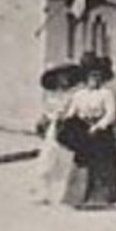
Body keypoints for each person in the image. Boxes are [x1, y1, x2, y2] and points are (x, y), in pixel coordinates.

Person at [64, 54, 116, 208]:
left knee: (102, 164)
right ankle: (79, 197)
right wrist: (67, 122)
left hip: (102, 133)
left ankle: (101, 197)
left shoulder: (106, 94)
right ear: (85, 78)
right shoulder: (78, 95)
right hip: (83, 131)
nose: (94, 80)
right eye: (90, 76)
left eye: (97, 76)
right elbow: (72, 112)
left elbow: (111, 114)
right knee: (82, 163)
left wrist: (98, 126)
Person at [34, 62, 84, 204]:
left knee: (64, 161)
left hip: (68, 127)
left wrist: (65, 116)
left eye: (66, 77)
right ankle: (44, 193)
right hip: (52, 128)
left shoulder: (74, 94)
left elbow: (74, 110)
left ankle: (60, 194)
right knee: (47, 159)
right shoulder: (50, 95)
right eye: (60, 77)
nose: (63, 80)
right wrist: (45, 119)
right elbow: (46, 110)